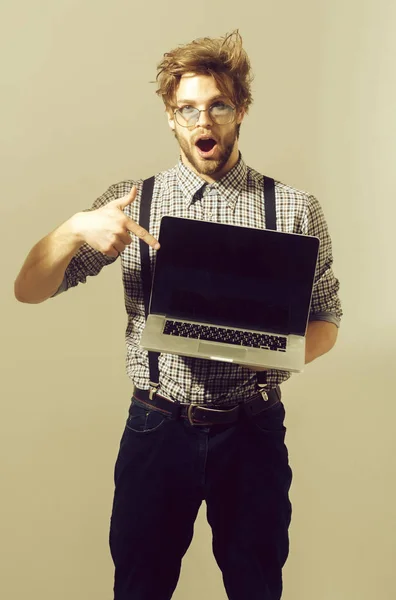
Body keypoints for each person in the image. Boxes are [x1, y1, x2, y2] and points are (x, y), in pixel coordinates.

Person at [14, 30, 342, 600]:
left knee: (257, 588)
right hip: (157, 426)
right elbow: (28, 290)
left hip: (251, 428)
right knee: (140, 588)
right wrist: (73, 229)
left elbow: (327, 318)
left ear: (240, 110)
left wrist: (273, 355)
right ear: (170, 117)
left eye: (217, 105)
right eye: (186, 109)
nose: (202, 122)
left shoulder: (291, 207)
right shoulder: (131, 201)